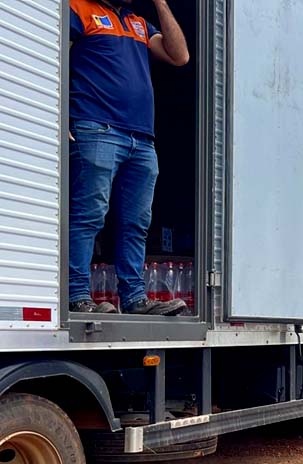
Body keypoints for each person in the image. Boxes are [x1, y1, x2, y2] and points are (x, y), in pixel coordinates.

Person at [69, 0, 189, 315]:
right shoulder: (79, 8)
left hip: (141, 139)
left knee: (136, 223)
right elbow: (52, 55)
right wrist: (59, 113)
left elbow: (180, 56)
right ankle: (77, 295)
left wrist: (161, 3)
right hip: (96, 127)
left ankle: (134, 299)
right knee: (89, 215)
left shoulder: (138, 23)